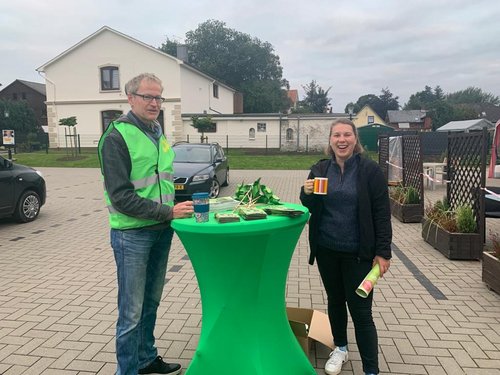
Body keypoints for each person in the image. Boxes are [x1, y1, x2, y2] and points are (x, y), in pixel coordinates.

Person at [98, 73, 193, 375]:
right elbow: (121, 197)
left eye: (159, 97)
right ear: (130, 98)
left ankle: (146, 359)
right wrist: (168, 213)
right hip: (132, 235)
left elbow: (160, 181)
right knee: (131, 312)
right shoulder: (116, 137)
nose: (155, 103)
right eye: (148, 97)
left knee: (150, 303)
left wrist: (180, 204)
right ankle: (126, 371)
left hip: (160, 232)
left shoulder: (156, 131)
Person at [299, 118, 392, 375]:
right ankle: (340, 348)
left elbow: (382, 214)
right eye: (337, 135)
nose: (342, 140)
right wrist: (305, 192)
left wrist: (383, 253)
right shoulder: (319, 170)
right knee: (335, 301)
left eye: (347, 135)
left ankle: (371, 370)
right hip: (327, 250)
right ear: (330, 140)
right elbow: (310, 206)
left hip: (359, 254)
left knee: (362, 313)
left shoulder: (369, 171)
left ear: (355, 140)